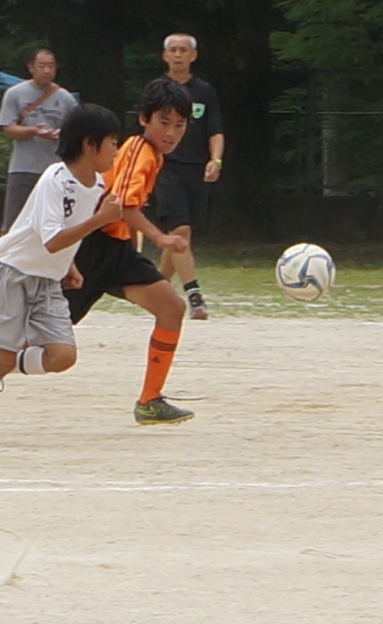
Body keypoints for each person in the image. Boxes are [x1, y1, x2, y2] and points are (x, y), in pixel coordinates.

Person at [63, 78, 195, 425]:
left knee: (172, 308)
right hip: (92, 248)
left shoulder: (152, 154)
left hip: (117, 249)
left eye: (179, 125)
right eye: (164, 122)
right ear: (143, 119)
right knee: (46, 335)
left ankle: (150, 401)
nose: (171, 132)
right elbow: (119, 204)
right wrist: (159, 238)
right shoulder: (140, 150)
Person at [0, 104, 122, 384]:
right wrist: (101, 219)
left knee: (63, 355)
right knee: (4, 356)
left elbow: (67, 228)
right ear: (89, 144)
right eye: (112, 143)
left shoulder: (97, 185)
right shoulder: (55, 179)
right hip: (14, 272)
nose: (116, 151)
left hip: (48, 279)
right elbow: (52, 240)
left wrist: (69, 264)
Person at [152, 33, 225, 320]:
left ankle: (156, 287)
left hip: (195, 169)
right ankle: (195, 296)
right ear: (165, 55)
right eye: (173, 50)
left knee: (178, 237)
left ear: (193, 55)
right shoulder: (157, 90)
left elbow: (215, 130)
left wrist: (215, 160)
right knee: (180, 231)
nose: (178, 54)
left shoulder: (204, 92)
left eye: (184, 50)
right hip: (166, 167)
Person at [0, 48, 78, 234]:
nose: (47, 70)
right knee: (13, 223)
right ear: (31, 68)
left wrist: (63, 135)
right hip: (23, 168)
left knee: (53, 224)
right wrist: (33, 131)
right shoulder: (15, 94)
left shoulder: (66, 98)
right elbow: (7, 128)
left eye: (51, 66)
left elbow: (76, 131)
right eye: (42, 66)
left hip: (55, 170)